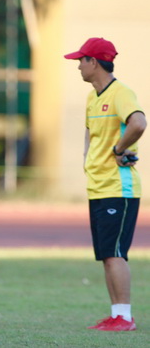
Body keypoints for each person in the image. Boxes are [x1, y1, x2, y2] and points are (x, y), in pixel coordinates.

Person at [65, 37, 146, 332]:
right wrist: (89, 157)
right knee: (106, 255)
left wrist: (118, 149)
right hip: (98, 186)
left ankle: (125, 318)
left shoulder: (121, 93)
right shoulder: (92, 98)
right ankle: (117, 314)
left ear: (94, 63)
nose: (78, 67)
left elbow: (138, 123)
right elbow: (90, 133)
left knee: (115, 253)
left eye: (80, 61)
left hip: (118, 188)